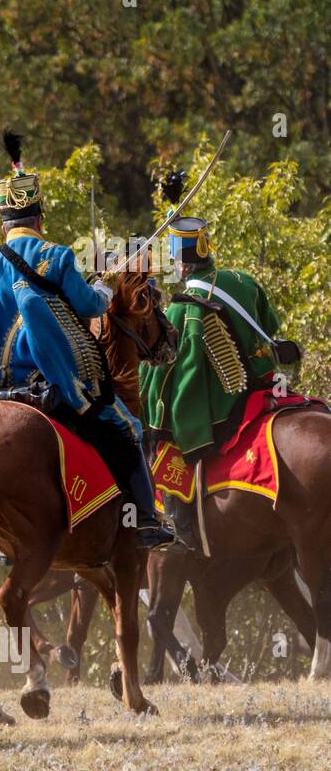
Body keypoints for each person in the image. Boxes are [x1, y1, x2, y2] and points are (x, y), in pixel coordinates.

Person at [0, 131, 173, 549]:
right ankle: (147, 518)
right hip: (43, 386)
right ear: (39, 220)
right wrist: (108, 287)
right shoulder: (55, 257)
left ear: (2, 223)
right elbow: (91, 307)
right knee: (128, 426)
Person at [141, 174, 297, 548]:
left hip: (227, 405)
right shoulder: (244, 280)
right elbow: (271, 328)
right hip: (268, 388)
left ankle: (180, 528)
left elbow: (171, 375)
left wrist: (150, 408)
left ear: (180, 266)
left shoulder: (182, 311)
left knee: (162, 439)